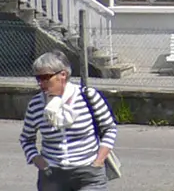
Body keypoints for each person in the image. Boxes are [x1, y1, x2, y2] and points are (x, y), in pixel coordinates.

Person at [19, 51, 116, 189]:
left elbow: (109, 128)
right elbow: (26, 138)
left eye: (45, 77)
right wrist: (39, 161)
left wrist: (99, 160)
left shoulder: (88, 96)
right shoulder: (36, 104)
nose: (41, 83)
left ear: (62, 75)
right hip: (52, 175)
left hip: (89, 173)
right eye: (38, 78)